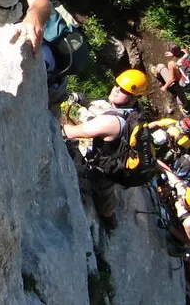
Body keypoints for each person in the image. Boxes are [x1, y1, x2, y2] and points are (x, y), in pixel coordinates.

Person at [61, 69, 150, 221]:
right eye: (117, 85)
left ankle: (108, 216)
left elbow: (69, 132)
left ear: (133, 98)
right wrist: (86, 104)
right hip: (119, 153)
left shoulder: (110, 122)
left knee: (104, 192)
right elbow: (108, 114)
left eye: (124, 90)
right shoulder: (134, 112)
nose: (116, 90)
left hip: (108, 169)